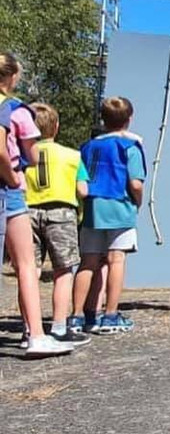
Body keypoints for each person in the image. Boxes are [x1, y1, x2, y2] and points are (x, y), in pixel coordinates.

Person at [0, 53, 72, 358]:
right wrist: (12, 177)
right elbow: (26, 154)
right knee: (26, 265)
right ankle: (36, 335)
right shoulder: (15, 109)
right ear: (12, 76)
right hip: (7, 190)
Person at [71, 96, 146, 335]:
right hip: (119, 206)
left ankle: (78, 315)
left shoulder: (87, 147)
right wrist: (138, 201)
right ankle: (111, 315)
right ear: (129, 119)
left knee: (88, 262)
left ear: (103, 119)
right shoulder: (130, 147)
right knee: (116, 260)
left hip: (92, 207)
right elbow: (135, 183)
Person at [25, 102, 91, 345]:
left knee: (29, 270)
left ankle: (29, 329)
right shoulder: (72, 156)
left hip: (27, 211)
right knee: (63, 271)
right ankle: (59, 327)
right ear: (56, 127)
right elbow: (83, 190)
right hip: (61, 212)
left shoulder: (22, 155)